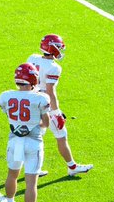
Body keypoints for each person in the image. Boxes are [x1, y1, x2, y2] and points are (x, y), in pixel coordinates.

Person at [26, 34, 93, 177]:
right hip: (45, 103)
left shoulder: (32, 58)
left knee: (38, 137)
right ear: (53, 48)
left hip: (32, 101)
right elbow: (50, 90)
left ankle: (33, 169)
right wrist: (56, 112)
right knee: (61, 135)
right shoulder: (54, 67)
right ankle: (72, 167)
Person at [0, 63, 51, 202]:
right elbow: (45, 123)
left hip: (15, 140)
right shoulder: (41, 98)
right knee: (31, 182)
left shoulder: (6, 96)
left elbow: (8, 113)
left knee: (12, 175)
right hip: (33, 142)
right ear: (33, 78)